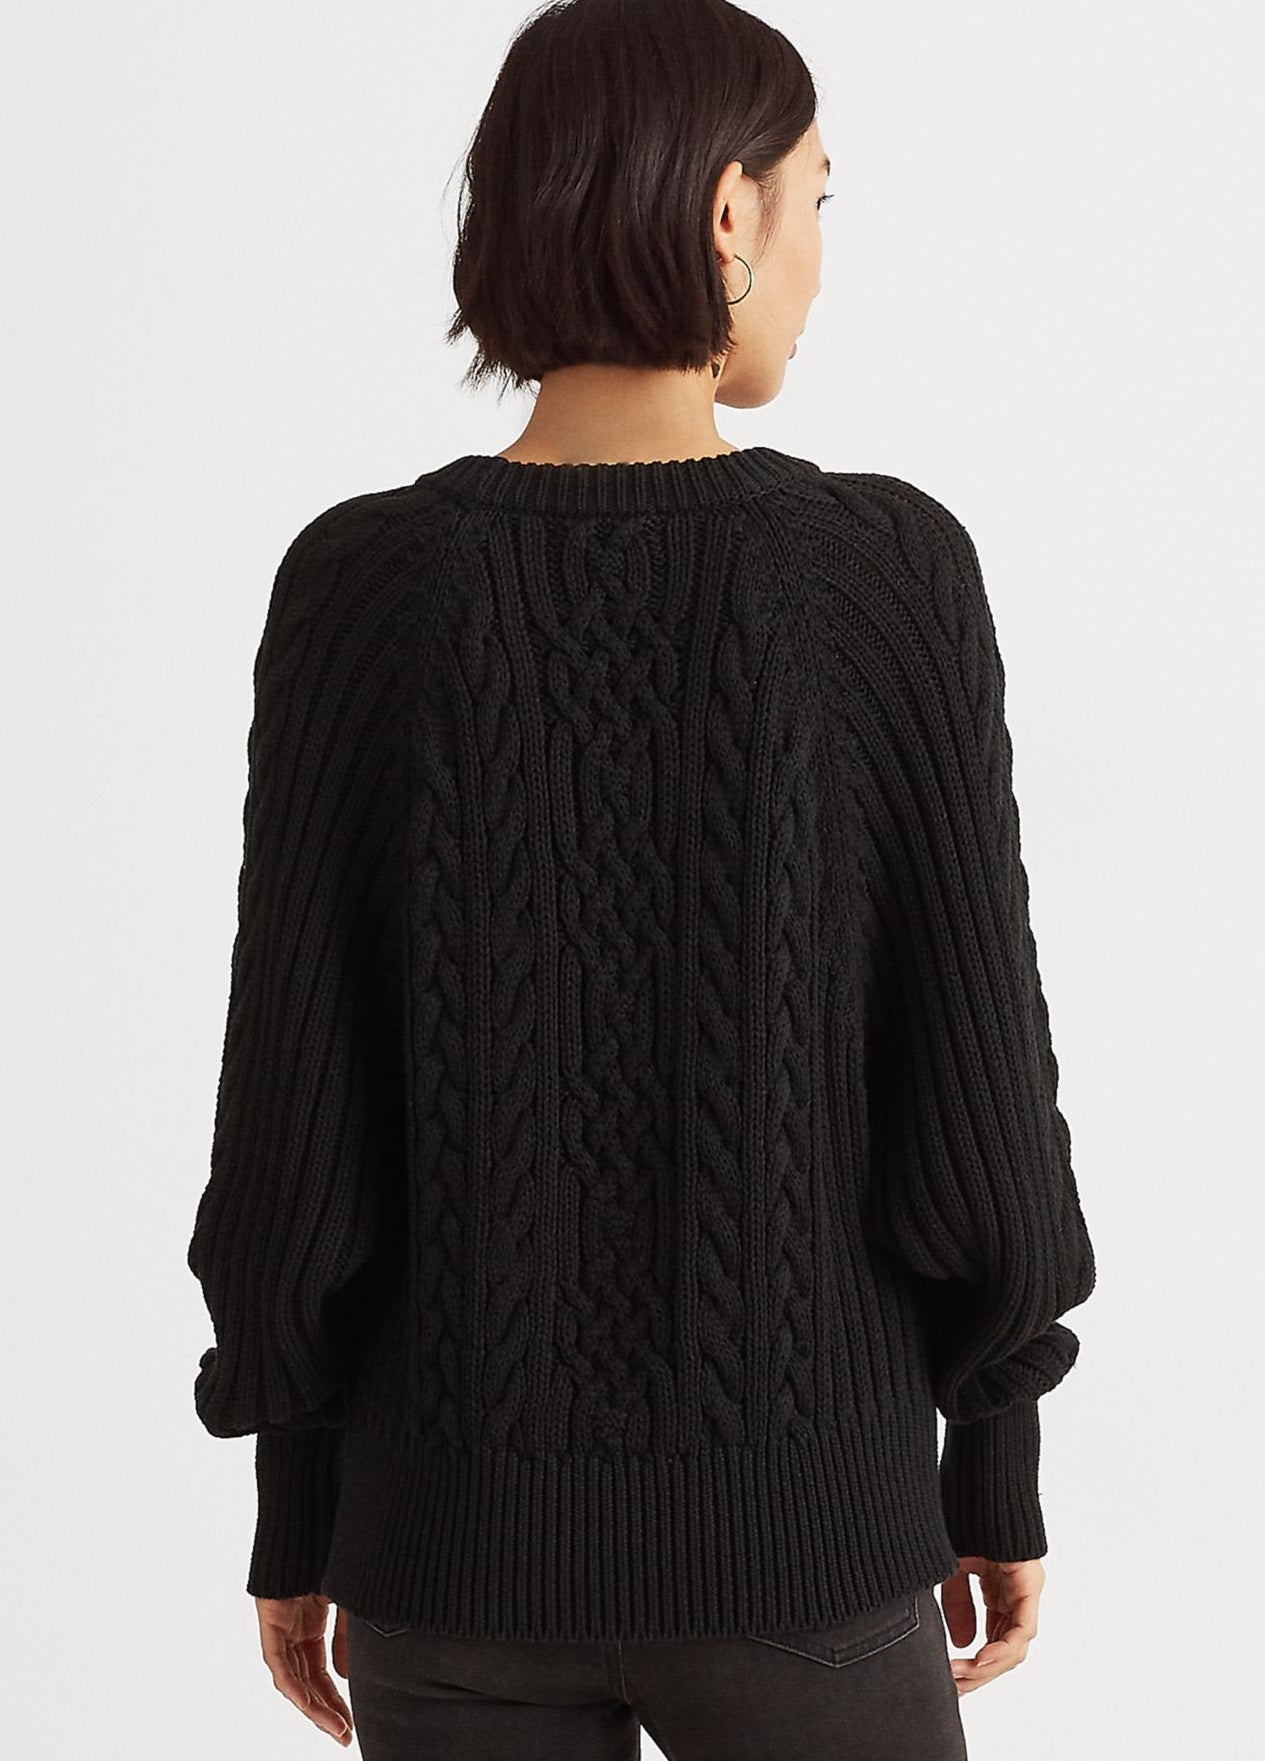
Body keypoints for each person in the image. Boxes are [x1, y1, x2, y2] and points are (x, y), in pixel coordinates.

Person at [185, 1, 1097, 1756]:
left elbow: (296, 1115)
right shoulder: (883, 574)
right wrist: (994, 1451)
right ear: (729, 211)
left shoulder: (358, 588)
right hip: (806, 1556)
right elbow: (975, 1084)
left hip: (447, 1559)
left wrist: (298, 1507)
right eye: (818, 197)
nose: (820, 257)